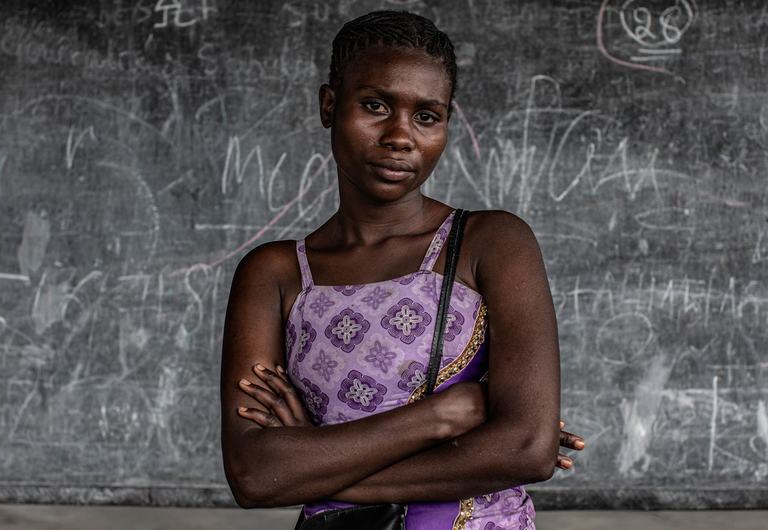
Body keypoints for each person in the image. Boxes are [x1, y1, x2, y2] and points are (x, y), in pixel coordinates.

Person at [220, 10, 582, 529]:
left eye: (427, 116)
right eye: (375, 106)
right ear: (329, 105)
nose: (400, 135)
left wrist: (309, 463)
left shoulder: (490, 242)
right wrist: (443, 417)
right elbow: (252, 473)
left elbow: (526, 448)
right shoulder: (276, 273)